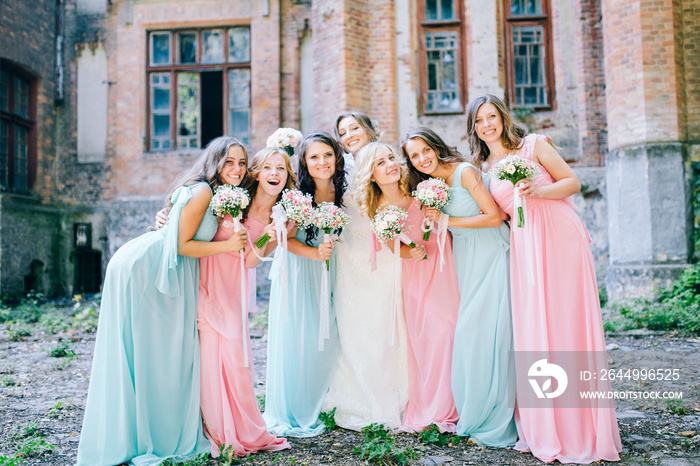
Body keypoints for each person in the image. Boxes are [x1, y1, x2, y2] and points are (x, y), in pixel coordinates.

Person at [466, 94, 622, 463]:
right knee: (538, 330)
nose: (487, 124)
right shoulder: (484, 169)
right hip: (525, 249)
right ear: (473, 128)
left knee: (569, 325)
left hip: (559, 237)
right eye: (479, 120)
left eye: (492, 116)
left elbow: (572, 182)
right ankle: (549, 425)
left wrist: (538, 190)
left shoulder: (533, 145)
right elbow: (497, 216)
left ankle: (584, 427)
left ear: (502, 118)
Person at [77, 137, 249, 466]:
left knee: (153, 354)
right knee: (156, 353)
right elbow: (182, 245)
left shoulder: (215, 194)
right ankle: (147, 435)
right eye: (229, 162)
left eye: (242, 162)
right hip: (149, 269)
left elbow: (178, 229)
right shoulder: (204, 191)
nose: (237, 169)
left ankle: (142, 429)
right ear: (214, 162)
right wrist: (228, 247)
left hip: (158, 266)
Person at [401, 127, 517, 446]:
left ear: (436, 146)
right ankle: (475, 406)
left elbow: (495, 217)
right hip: (464, 257)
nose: (422, 158)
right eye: (414, 155)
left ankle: (492, 414)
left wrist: (445, 222)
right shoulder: (430, 186)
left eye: (426, 149)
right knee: (474, 333)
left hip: (490, 252)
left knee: (481, 331)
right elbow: (433, 230)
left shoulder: (465, 172)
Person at [354, 141, 459, 433]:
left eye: (391, 158)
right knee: (431, 338)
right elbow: (393, 249)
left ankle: (461, 400)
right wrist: (409, 251)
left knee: (452, 329)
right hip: (416, 275)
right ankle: (437, 406)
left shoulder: (420, 187)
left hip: (445, 264)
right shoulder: (379, 209)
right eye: (380, 163)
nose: (391, 164)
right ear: (371, 175)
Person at [196, 141, 290, 457]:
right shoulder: (237, 195)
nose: (274, 173)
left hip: (234, 287)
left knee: (237, 360)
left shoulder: (283, 216)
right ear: (257, 172)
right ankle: (220, 430)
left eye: (281, 169)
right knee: (213, 358)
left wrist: (271, 237)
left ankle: (245, 428)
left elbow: (250, 261)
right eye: (268, 167)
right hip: (207, 279)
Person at [322, 112, 409, 431]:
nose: (348, 136)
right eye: (342, 132)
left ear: (369, 129)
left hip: (384, 257)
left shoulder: (389, 160)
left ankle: (394, 391)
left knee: (385, 323)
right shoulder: (341, 169)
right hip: (349, 257)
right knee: (353, 325)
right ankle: (354, 390)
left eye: (354, 128)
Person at [262, 131, 345, 437]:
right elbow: (283, 240)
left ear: (336, 157)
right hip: (299, 270)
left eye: (327, 155)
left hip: (330, 268)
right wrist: (314, 252)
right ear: (304, 163)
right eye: (314, 157)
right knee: (301, 336)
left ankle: (323, 398)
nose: (322, 162)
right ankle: (293, 407)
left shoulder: (343, 191)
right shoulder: (296, 195)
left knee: (327, 336)